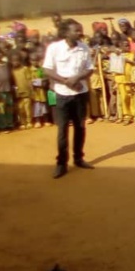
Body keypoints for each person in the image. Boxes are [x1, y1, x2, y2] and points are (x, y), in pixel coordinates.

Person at [42, 19, 95, 179]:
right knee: (62, 129)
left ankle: (78, 158)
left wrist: (78, 78)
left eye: (81, 30)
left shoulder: (84, 47)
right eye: (76, 30)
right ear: (66, 33)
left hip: (80, 93)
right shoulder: (54, 48)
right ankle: (61, 163)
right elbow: (47, 70)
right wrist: (67, 82)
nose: (80, 33)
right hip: (61, 94)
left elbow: (90, 69)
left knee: (80, 127)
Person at [11, 53, 33, 129]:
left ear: (20, 61)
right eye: (13, 61)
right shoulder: (12, 71)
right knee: (20, 108)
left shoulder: (25, 69)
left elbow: (29, 80)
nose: (15, 62)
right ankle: (22, 122)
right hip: (18, 93)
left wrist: (31, 90)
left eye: (17, 61)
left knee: (28, 108)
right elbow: (12, 83)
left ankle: (29, 121)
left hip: (26, 91)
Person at [29, 54, 49, 128]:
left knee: (44, 106)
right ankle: (37, 121)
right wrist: (37, 82)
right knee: (37, 107)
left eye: (36, 60)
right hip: (35, 92)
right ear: (30, 61)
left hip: (42, 91)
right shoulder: (29, 70)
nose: (35, 62)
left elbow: (45, 78)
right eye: (33, 60)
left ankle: (46, 120)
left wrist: (41, 81)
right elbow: (30, 81)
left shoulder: (41, 69)